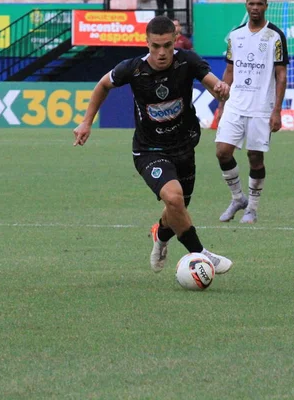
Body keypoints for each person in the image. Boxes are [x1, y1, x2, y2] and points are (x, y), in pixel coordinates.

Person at [73, 16, 233, 274]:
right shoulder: (133, 69)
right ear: (146, 43)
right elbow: (103, 84)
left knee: (177, 208)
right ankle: (201, 254)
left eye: (167, 46)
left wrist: (220, 89)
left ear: (174, 42)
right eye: (155, 46)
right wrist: (86, 122)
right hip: (149, 150)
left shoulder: (187, 61)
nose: (161, 53)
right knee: (174, 197)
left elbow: (211, 81)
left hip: (184, 147)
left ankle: (160, 235)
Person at [214, 0, 288, 224]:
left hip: (261, 106)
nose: (255, 8)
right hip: (235, 103)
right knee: (222, 152)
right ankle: (238, 198)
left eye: (259, 4)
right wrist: (221, 104)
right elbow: (229, 70)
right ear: (246, 5)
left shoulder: (275, 35)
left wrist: (277, 111)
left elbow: (281, 75)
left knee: (255, 158)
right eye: (251, 3)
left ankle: (252, 209)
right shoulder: (235, 35)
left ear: (266, 6)